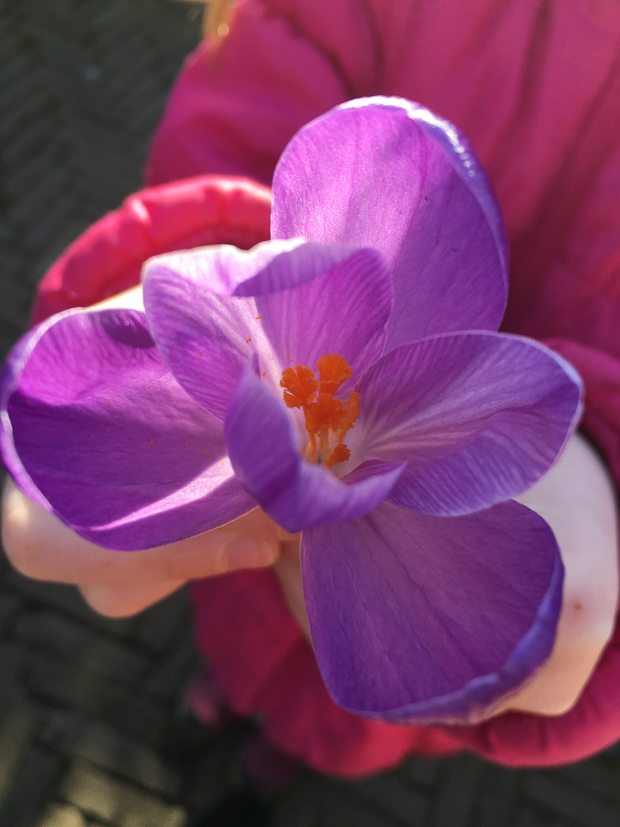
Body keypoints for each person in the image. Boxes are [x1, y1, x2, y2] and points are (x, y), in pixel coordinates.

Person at [3, 0, 620, 778]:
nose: (323, 423)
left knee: (342, 711)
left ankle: (282, 753)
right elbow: (267, 161)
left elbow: (479, 654)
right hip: (239, 551)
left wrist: (603, 450)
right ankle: (234, 696)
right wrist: (188, 274)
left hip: (425, 570)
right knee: (243, 643)